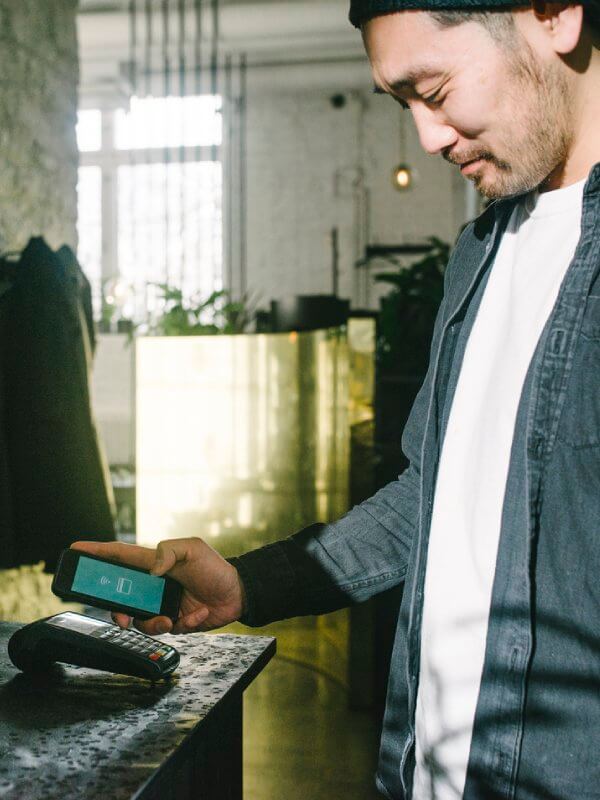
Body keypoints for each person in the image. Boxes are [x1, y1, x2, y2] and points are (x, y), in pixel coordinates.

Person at [73, 1, 600, 798]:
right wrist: (247, 585)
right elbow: (432, 497)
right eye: (401, 104)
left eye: (435, 88)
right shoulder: (482, 253)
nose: (426, 137)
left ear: (556, 14)